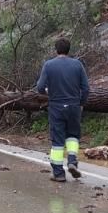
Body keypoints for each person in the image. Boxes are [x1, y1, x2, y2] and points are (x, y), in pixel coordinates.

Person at [36, 38, 90, 182]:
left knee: (57, 140)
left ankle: (58, 173)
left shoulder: (49, 65)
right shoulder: (77, 64)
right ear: (68, 49)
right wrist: (81, 103)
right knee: (73, 136)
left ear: (56, 50)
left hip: (56, 107)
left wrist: (49, 91)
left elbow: (40, 87)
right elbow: (85, 88)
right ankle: (72, 161)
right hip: (74, 106)